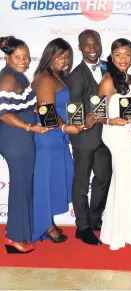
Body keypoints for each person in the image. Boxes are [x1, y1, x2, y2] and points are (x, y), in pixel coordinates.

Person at [98, 38, 131, 250]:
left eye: (127, 54)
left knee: (127, 180)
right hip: (114, 133)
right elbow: (98, 114)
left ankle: (126, 229)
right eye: (118, 55)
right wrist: (112, 121)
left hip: (130, 131)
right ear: (112, 57)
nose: (123, 59)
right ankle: (118, 233)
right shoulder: (108, 81)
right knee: (125, 178)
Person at [0, 36, 50, 254]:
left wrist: (34, 110)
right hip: (15, 138)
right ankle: (14, 237)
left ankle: (18, 230)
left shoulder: (19, 76)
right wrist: (30, 127)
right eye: (17, 57)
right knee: (20, 187)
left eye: (26, 57)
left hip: (21, 137)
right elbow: (3, 114)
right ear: (7, 57)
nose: (23, 61)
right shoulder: (8, 78)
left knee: (24, 186)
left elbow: (19, 105)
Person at [32, 38, 84, 243]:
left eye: (67, 56)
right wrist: (64, 127)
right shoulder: (45, 78)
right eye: (59, 56)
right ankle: (44, 225)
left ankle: (47, 221)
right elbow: (47, 112)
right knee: (45, 183)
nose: (64, 60)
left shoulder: (57, 77)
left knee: (54, 180)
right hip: (47, 137)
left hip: (57, 138)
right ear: (49, 56)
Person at [66, 29, 112, 245]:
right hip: (85, 137)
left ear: (100, 44)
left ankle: (95, 220)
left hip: (108, 135)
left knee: (103, 178)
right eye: (87, 45)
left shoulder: (108, 67)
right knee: (82, 183)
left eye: (96, 44)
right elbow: (73, 108)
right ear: (80, 48)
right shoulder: (75, 75)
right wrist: (85, 122)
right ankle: (82, 226)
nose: (92, 49)